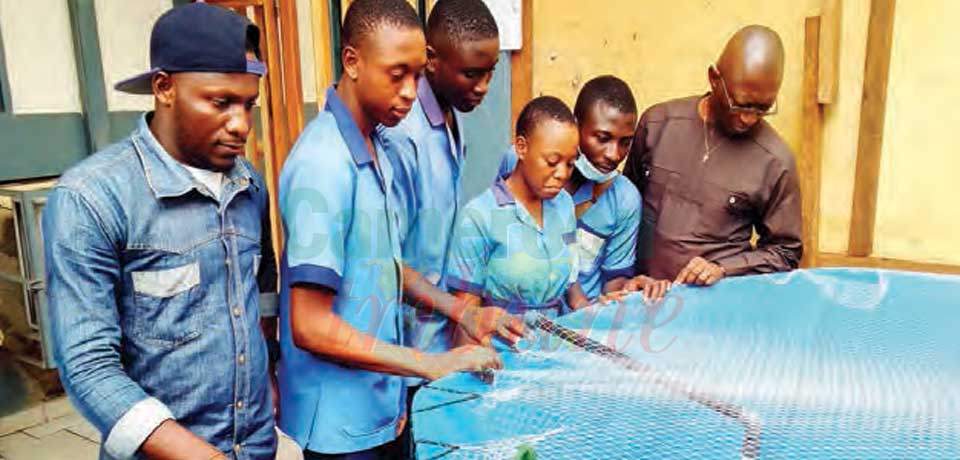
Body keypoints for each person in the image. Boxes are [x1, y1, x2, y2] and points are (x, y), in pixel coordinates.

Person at [43, 4, 279, 459]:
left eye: (249, 104)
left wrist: (269, 375)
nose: (242, 125)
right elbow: (89, 368)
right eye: (220, 102)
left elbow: (261, 286)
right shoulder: (91, 198)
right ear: (164, 88)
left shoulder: (250, 185)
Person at [276, 1, 502, 458]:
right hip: (339, 420)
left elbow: (385, 266)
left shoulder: (375, 146)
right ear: (353, 61)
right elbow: (310, 324)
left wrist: (462, 313)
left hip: (377, 402)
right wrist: (428, 363)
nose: (408, 92)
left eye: (417, 76)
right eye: (396, 74)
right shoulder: (324, 163)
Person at [623, 25, 803, 286]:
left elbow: (785, 253)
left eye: (762, 108)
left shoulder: (775, 162)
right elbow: (624, 208)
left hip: (715, 311)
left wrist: (724, 269)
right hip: (641, 297)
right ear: (714, 78)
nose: (748, 118)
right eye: (739, 104)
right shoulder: (658, 124)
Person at [498, 76, 671, 301]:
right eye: (602, 138)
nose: (614, 154)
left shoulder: (624, 199)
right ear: (576, 125)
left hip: (579, 323)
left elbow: (613, 282)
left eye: (625, 143)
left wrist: (629, 289)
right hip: (518, 314)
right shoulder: (522, 161)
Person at [447, 96, 591, 329]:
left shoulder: (564, 204)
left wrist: (592, 312)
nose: (563, 173)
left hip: (555, 344)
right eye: (553, 161)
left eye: (570, 163)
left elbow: (570, 280)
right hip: (502, 350)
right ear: (522, 147)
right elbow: (467, 316)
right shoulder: (479, 217)